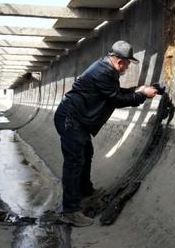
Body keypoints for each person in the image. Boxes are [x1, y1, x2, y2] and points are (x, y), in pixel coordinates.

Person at [54, 40, 158, 227]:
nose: (128, 66)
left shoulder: (104, 68)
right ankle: (70, 211)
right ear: (119, 61)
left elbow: (113, 93)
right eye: (127, 63)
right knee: (74, 161)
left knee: (86, 153)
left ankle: (85, 190)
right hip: (71, 119)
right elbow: (116, 99)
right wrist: (143, 95)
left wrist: (137, 90)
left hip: (77, 119)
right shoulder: (104, 72)